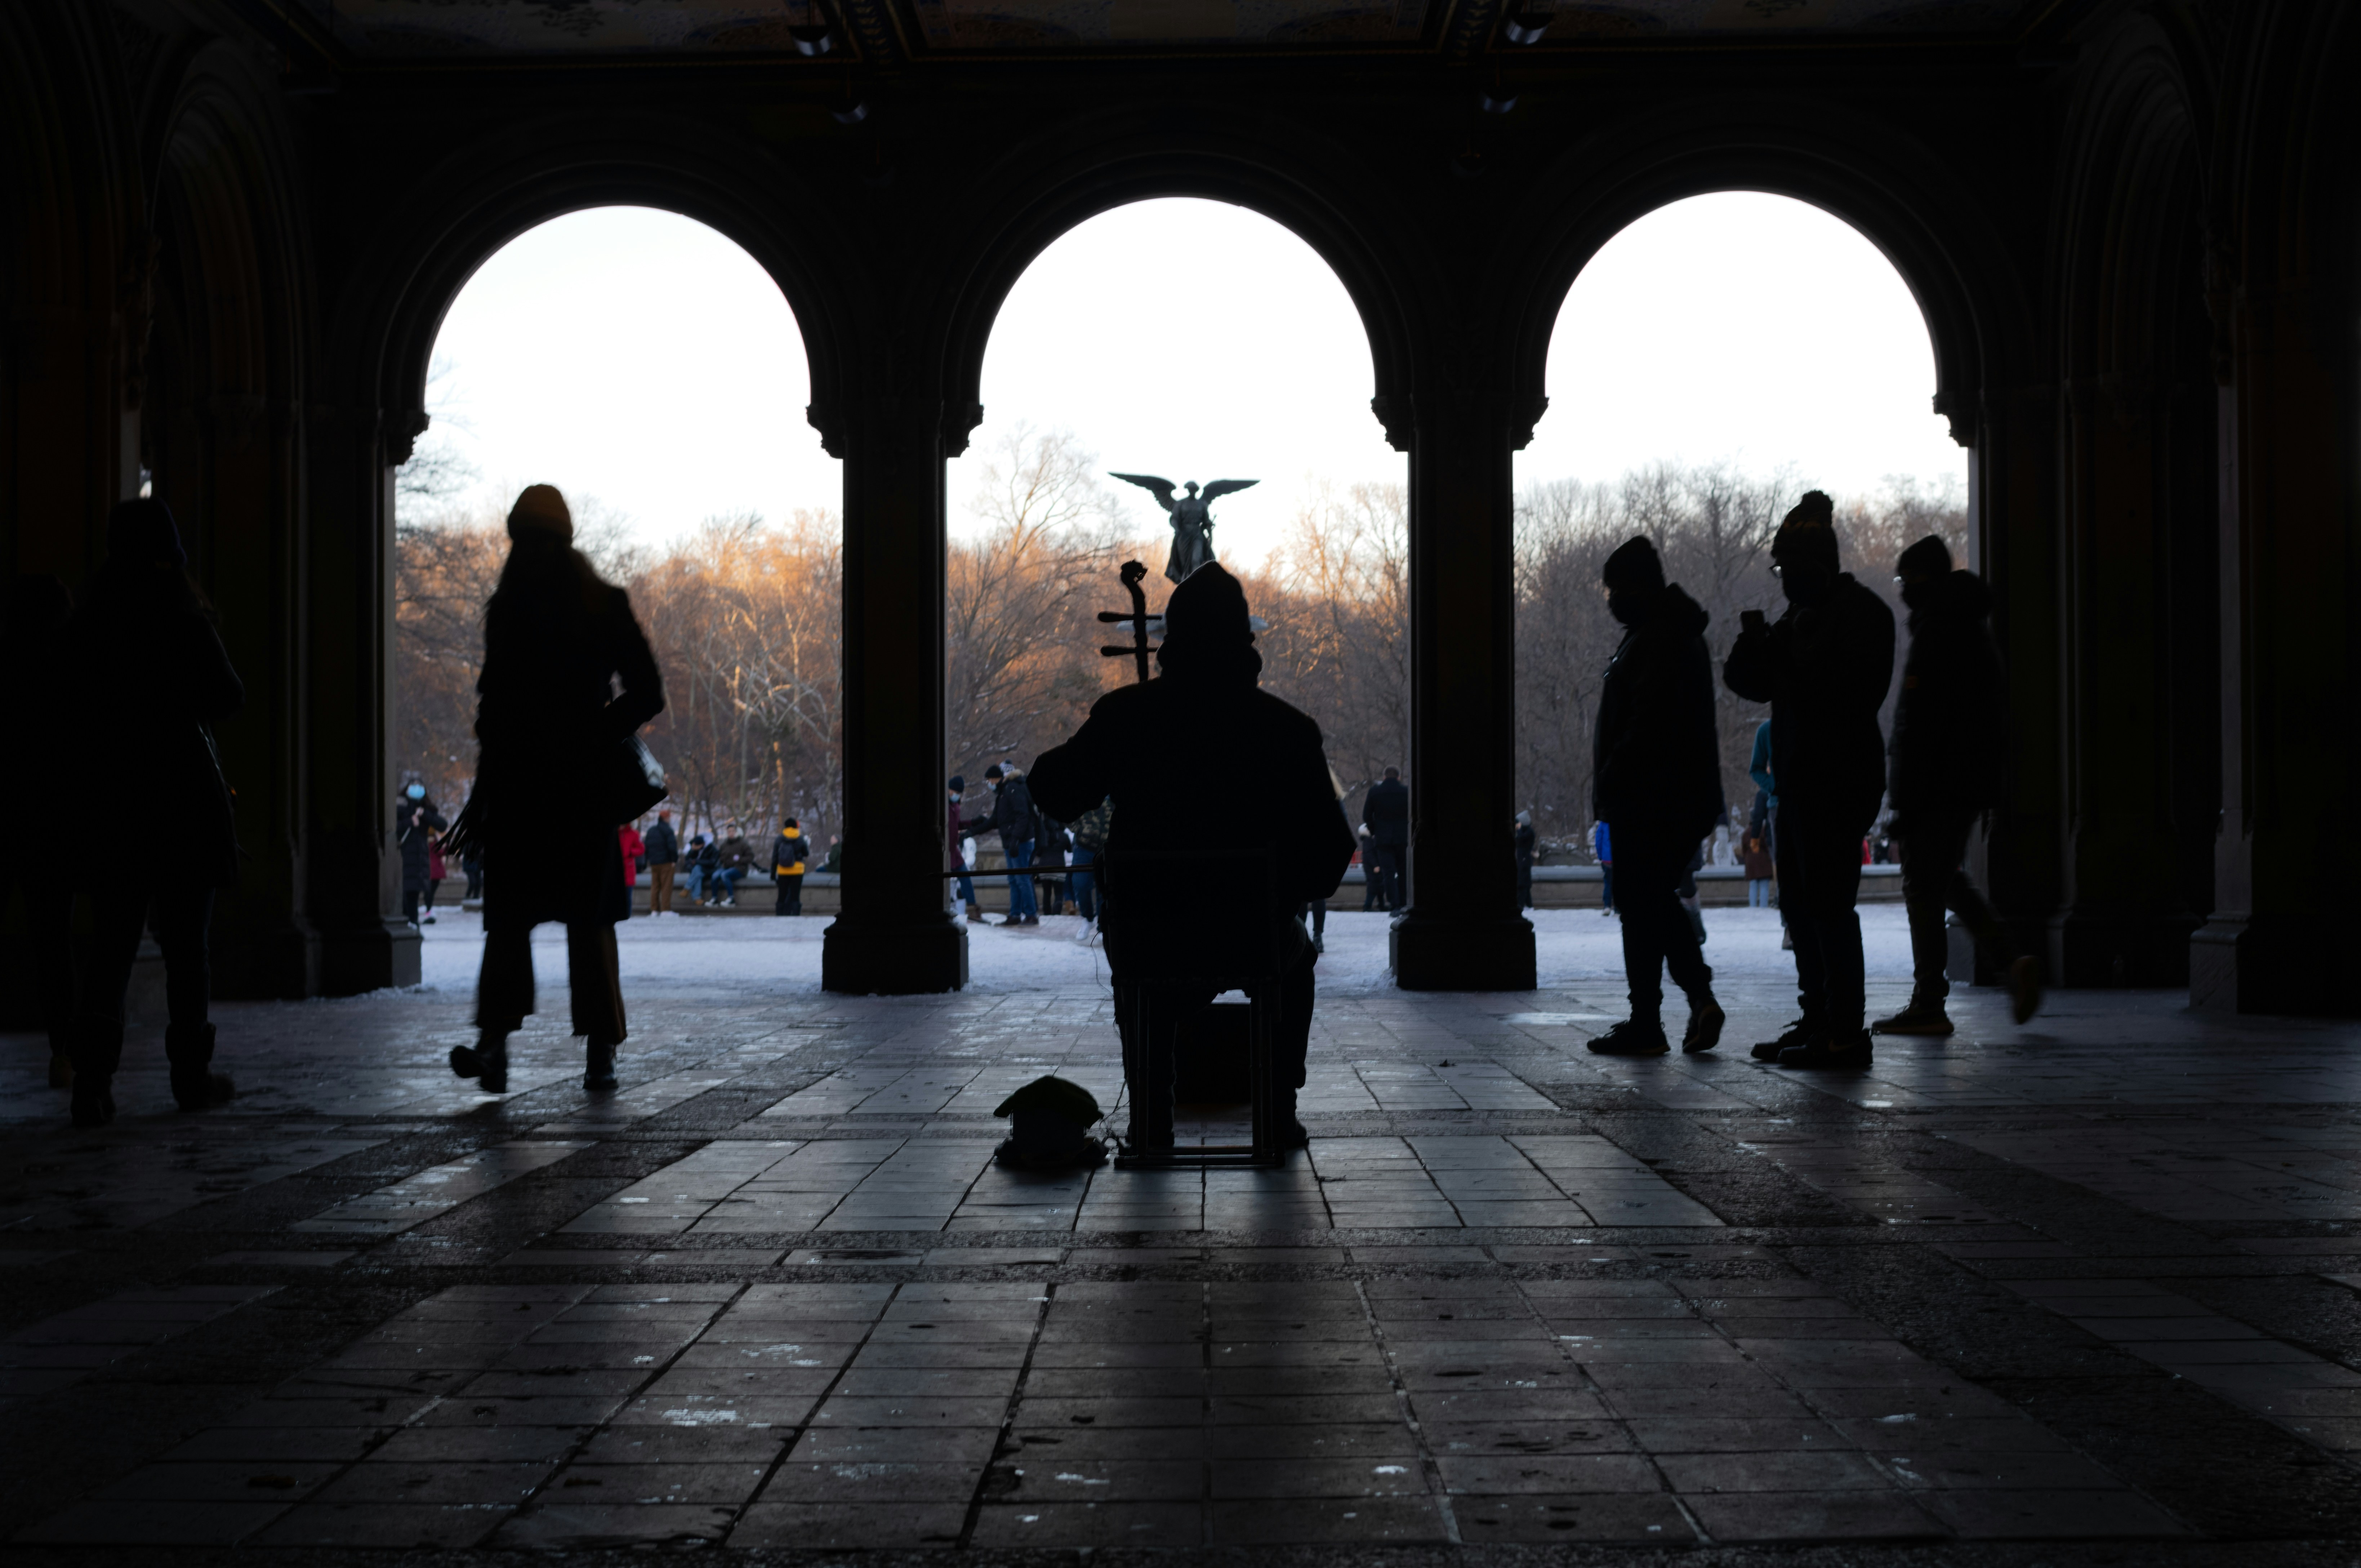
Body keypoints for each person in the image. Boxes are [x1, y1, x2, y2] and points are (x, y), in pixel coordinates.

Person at [1030, 562, 1354, 1150]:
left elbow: (1049, 787)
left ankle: (1151, 1115)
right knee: (1294, 961)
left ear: (1171, 642)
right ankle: (1278, 1109)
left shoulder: (1125, 716)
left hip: (1150, 929)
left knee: (1137, 966)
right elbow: (1330, 852)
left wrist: (1102, 832)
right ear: (1243, 642)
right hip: (1250, 931)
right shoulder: (1286, 729)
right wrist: (1277, 892)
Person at [453, 484, 663, 1095]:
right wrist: (595, 732)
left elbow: (492, 707)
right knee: (582, 921)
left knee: (514, 924)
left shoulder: (509, 604)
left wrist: (491, 784)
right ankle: (596, 1050)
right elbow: (645, 692)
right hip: (573, 789)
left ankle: (501, 1045)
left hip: (528, 788)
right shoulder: (598, 603)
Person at [62, 499, 242, 1125]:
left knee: (110, 945)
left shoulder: (88, 624)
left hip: (112, 803)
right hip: (182, 805)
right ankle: (190, 1077)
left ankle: (92, 1080)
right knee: (188, 950)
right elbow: (228, 695)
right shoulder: (182, 618)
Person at [1724, 490, 1895, 1069]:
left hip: (1838, 780)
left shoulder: (1863, 616)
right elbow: (1748, 681)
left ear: (1819, 566)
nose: (1784, 580)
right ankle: (1820, 1016)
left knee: (1829, 907)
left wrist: (1791, 656)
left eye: (1790, 569)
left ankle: (1845, 1030)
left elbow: (1849, 695)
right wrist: (1756, 647)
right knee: (1800, 907)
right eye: (1780, 570)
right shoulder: (1798, 619)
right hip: (1799, 782)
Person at [1876, 535, 2043, 1035]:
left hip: (1937, 785)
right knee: (1942, 877)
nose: (1903, 591)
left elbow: (1918, 726)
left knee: (1923, 886)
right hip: (1965, 781)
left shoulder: (1936, 632)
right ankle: (2009, 964)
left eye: (1905, 581)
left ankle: (1931, 999)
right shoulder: (1971, 629)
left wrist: (1904, 799)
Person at [1583, 537, 1727, 1057]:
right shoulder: (1668, 633)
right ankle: (1674, 1007)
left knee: (1643, 903)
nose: (1612, 599)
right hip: (1670, 798)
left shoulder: (1656, 639)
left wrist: (1613, 778)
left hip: (1648, 800)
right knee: (1650, 904)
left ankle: (1667, 1010)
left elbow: (1645, 725)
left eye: (1617, 588)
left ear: (1640, 586)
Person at [3, 575, 77, 1088]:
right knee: (55, 942)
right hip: (52, 823)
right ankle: (65, 1052)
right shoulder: (68, 672)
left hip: (10, 817)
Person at [981, 762, 1040, 927]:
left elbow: (1023, 815)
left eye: (991, 780)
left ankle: (1031, 914)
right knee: (1015, 880)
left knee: (1021, 879)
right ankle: (1016, 914)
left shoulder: (1013, 789)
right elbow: (997, 819)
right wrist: (975, 829)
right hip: (1012, 842)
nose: (990, 784)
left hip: (1019, 843)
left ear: (1000, 777)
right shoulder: (1005, 791)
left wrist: (1015, 838)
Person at [396, 782, 446, 927]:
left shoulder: (426, 809)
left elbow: (442, 824)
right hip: (405, 856)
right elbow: (393, 828)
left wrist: (425, 814)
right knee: (409, 892)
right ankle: (411, 922)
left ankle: (413, 922)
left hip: (421, 859)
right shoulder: (401, 808)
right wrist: (410, 822)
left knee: (415, 892)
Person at [1364, 766, 1408, 910]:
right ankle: (1403, 902)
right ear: (1399, 777)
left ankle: (1394, 904)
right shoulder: (1406, 792)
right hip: (1403, 838)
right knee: (1403, 873)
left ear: (1384, 777)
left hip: (1383, 839)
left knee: (1388, 874)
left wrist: (1374, 830)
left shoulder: (1375, 792)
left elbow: (1367, 815)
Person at [1070, 795, 1112, 937]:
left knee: (1104, 888)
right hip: (1084, 847)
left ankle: (1102, 926)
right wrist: (1079, 829)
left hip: (1106, 847)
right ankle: (1087, 919)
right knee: (1080, 884)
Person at [948, 776, 981, 920]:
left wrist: (973, 822)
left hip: (954, 852)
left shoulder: (955, 806)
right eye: (955, 791)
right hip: (946, 851)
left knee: (965, 878)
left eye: (959, 793)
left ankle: (973, 908)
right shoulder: (944, 805)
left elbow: (957, 825)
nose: (956, 795)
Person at [643, 809, 679, 915]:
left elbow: (646, 847)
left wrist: (648, 861)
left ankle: (654, 910)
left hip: (654, 863)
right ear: (666, 818)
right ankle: (666, 910)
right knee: (666, 887)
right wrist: (674, 860)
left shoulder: (651, 831)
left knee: (655, 887)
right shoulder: (668, 830)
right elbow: (672, 847)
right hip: (666, 862)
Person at [771, 818, 807, 915]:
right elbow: (806, 853)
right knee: (796, 897)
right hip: (797, 870)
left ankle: (780, 916)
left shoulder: (780, 838)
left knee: (781, 896)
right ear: (796, 826)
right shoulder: (800, 838)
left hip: (783, 870)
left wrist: (773, 874)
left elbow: (775, 857)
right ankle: (795, 916)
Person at [711, 827, 752, 906]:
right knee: (715, 876)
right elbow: (720, 857)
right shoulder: (725, 844)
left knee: (725, 875)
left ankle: (731, 899)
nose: (731, 833)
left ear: (737, 832)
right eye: (729, 831)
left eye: (733, 831)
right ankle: (714, 899)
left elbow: (750, 857)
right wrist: (723, 859)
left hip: (740, 869)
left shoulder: (743, 844)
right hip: (727, 867)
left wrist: (740, 859)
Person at [617, 819, 645, 917]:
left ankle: (627, 915)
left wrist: (630, 852)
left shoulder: (634, 834)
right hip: (615, 868)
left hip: (628, 868)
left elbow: (641, 849)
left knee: (627, 896)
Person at [1742, 822, 1775, 907]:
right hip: (1763, 860)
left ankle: (1753, 907)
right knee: (1764, 886)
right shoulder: (1763, 831)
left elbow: (1744, 850)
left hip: (1750, 861)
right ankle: (1763, 907)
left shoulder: (1746, 833)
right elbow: (1768, 845)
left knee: (1753, 886)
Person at [1514, 810, 1537, 912]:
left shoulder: (1528, 832)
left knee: (1522, 884)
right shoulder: (1527, 831)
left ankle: (1521, 905)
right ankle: (1529, 905)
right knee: (1525, 884)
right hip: (1523, 860)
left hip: (1524, 861)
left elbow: (1521, 839)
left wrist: (1519, 830)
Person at [422, 831, 446, 924]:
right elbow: (442, 852)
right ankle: (429, 913)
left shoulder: (425, 840)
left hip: (429, 871)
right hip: (435, 871)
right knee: (430, 894)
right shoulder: (435, 841)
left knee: (428, 894)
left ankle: (429, 913)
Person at [1592, 819, 1615, 916]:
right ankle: (1618, 909)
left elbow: (1598, 840)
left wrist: (1601, 856)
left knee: (1608, 882)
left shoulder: (1604, 823)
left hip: (1607, 859)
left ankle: (1607, 906)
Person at [683, 833, 713, 904]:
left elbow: (712, 862)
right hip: (697, 871)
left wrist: (697, 862)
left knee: (698, 869)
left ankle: (687, 888)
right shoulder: (694, 849)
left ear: (702, 845)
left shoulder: (710, 849)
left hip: (708, 870)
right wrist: (693, 851)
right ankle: (697, 898)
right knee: (698, 874)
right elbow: (687, 861)